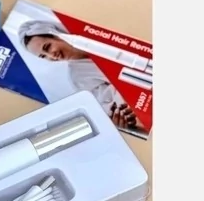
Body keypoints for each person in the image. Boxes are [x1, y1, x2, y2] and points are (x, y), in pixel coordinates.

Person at [18, 20, 147, 133]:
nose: (52, 56)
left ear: (56, 35)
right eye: (43, 56)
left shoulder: (94, 34)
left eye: (48, 47)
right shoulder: (78, 78)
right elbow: (110, 106)